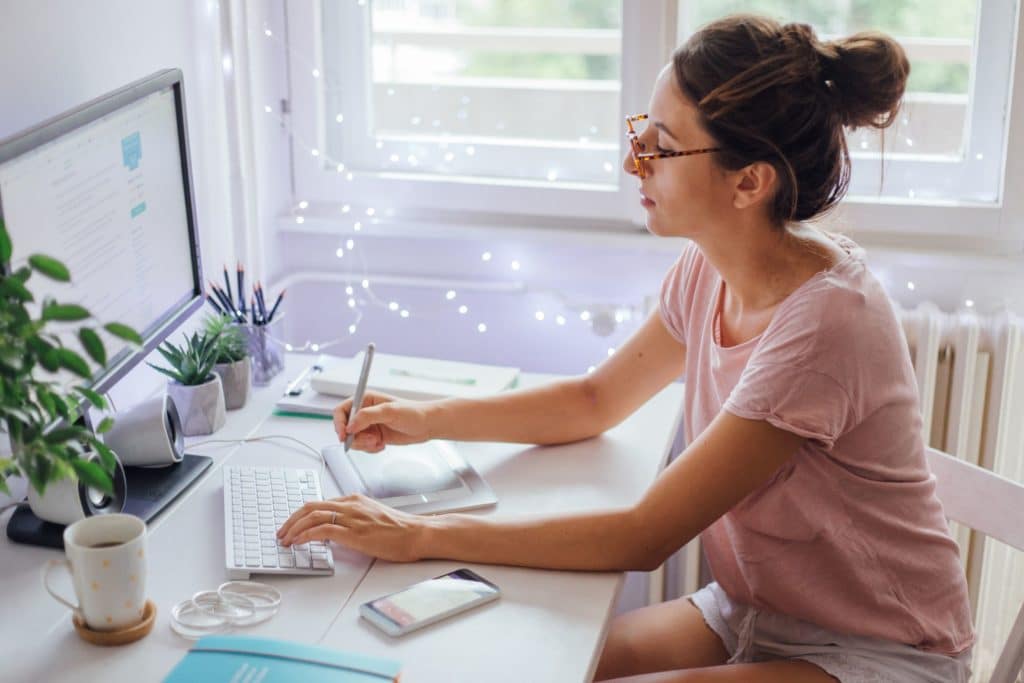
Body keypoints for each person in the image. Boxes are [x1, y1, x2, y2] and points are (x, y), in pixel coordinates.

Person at [278, 14, 974, 682]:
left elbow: (643, 535)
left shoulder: (824, 325)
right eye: (642, 132)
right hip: (755, 612)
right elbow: (594, 399)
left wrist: (420, 533)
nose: (632, 161)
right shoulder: (712, 266)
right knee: (522, 667)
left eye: (661, 147)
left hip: (879, 651)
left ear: (750, 181)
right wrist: (426, 418)